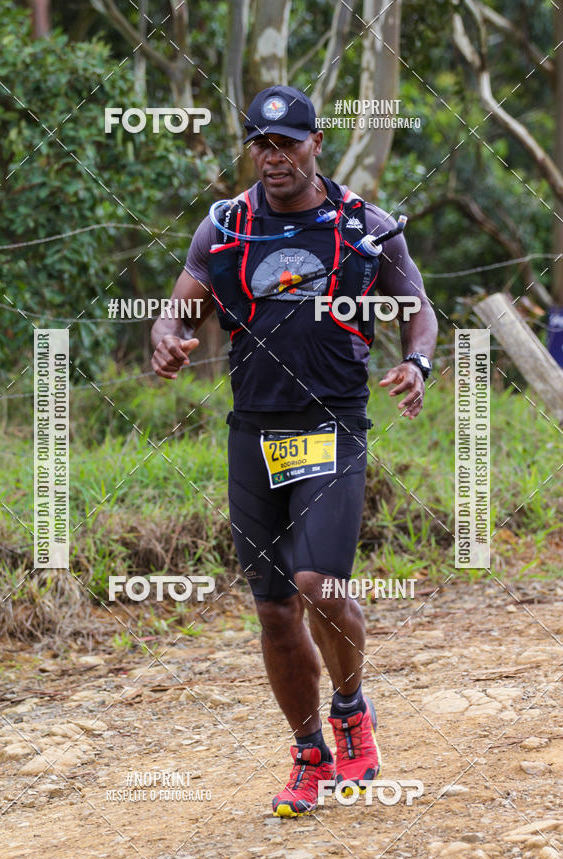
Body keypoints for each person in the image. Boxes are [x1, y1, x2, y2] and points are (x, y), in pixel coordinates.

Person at [151, 85, 437, 817]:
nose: (273, 157)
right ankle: (309, 752)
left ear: (316, 144)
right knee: (275, 610)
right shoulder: (226, 227)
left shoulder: (363, 226)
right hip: (253, 431)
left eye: (287, 144)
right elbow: (179, 305)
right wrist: (168, 338)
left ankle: (351, 710)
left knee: (319, 584)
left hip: (332, 424)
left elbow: (418, 309)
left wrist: (418, 363)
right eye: (261, 145)